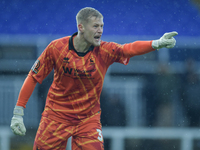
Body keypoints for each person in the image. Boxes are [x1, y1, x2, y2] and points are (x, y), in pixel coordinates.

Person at [10, 7, 178, 150]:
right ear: (81, 27)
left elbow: (128, 49)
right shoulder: (56, 48)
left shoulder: (105, 51)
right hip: (56, 117)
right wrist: (18, 112)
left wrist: (156, 43)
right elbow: (33, 76)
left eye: (102, 26)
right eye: (96, 26)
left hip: (87, 120)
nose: (100, 30)